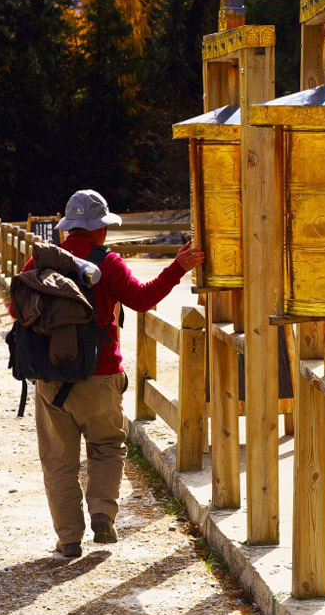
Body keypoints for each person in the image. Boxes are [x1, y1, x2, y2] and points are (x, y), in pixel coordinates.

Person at [13, 189, 203, 559]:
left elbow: (16, 310)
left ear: (68, 228)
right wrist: (177, 266)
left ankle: (68, 540)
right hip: (101, 376)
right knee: (105, 448)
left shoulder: (34, 265)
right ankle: (102, 511)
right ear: (100, 229)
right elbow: (142, 299)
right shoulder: (107, 262)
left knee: (58, 462)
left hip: (51, 381)